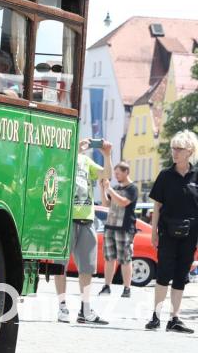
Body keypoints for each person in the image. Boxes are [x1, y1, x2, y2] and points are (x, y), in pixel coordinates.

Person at [145, 130, 198, 333]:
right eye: (173, 148)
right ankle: (156, 316)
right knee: (163, 274)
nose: (174, 152)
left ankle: (174, 319)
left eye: (179, 149)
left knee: (181, 276)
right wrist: (153, 232)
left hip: (190, 235)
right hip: (167, 233)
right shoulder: (165, 176)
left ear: (190, 151)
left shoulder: (197, 176)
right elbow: (157, 206)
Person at [54, 137, 111, 325]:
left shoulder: (87, 162)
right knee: (60, 265)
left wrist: (107, 154)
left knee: (87, 268)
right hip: (65, 219)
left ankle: (85, 309)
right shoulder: (63, 157)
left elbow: (105, 174)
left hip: (87, 218)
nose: (85, 144)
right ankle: (62, 307)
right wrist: (75, 151)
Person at [98, 161, 137, 298]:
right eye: (115, 173)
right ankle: (107, 286)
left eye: (118, 173)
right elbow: (106, 204)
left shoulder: (132, 188)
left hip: (124, 228)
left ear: (126, 172)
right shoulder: (115, 187)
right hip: (110, 226)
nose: (116, 176)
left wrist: (110, 190)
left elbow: (123, 202)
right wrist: (103, 189)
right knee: (109, 258)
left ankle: (127, 288)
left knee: (125, 259)